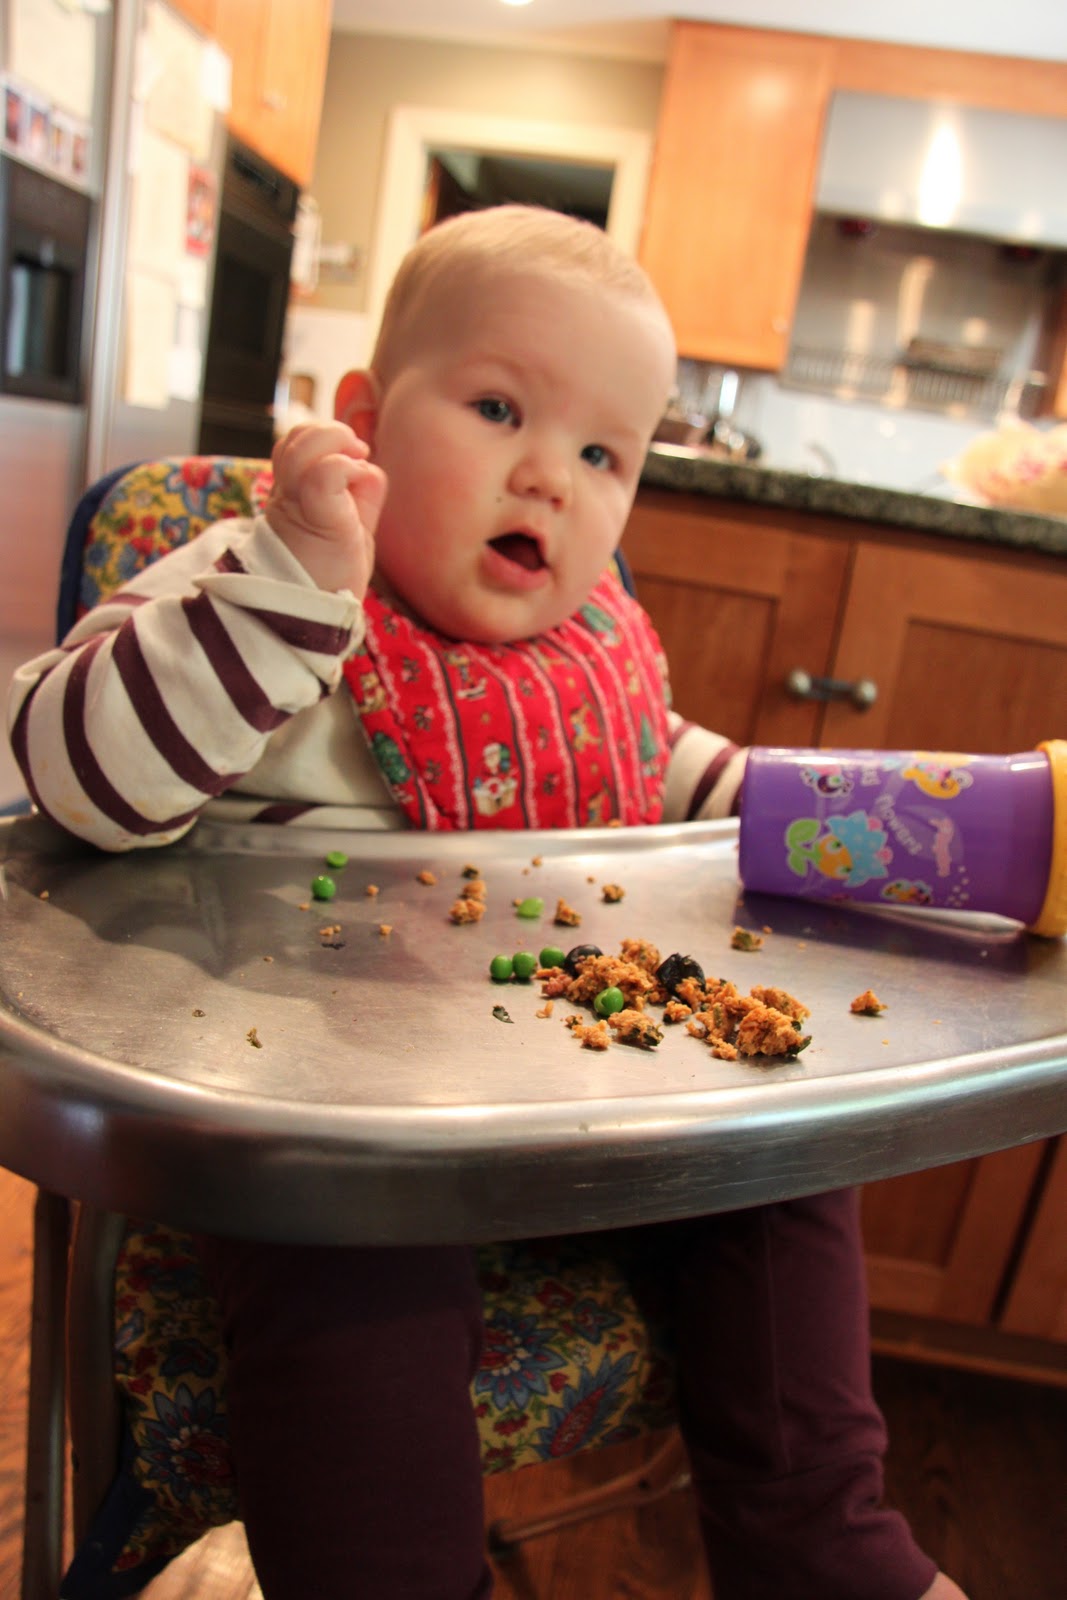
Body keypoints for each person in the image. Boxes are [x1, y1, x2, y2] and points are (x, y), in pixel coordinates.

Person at [6, 206, 967, 1600]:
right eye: (501, 406)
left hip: (585, 1101)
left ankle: (823, 1544)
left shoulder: (594, 656)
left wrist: (852, 827)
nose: (550, 477)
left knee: (787, 1151)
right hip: (338, 1130)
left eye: (601, 454)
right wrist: (286, 586)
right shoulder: (255, 588)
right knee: (347, 1268)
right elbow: (72, 773)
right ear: (362, 423)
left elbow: (674, 776)